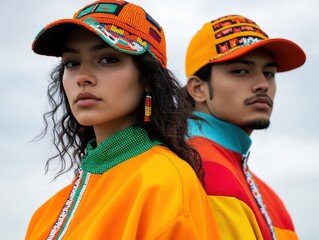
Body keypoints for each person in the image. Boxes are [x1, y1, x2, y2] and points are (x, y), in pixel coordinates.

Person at [25, 1, 220, 239]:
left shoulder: (164, 183)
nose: (82, 77)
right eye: (72, 63)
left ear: (148, 78)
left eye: (108, 59)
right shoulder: (45, 214)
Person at [184, 14, 306, 240]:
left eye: (269, 73)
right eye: (240, 71)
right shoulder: (197, 168)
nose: (262, 85)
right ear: (198, 89)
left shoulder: (270, 198)